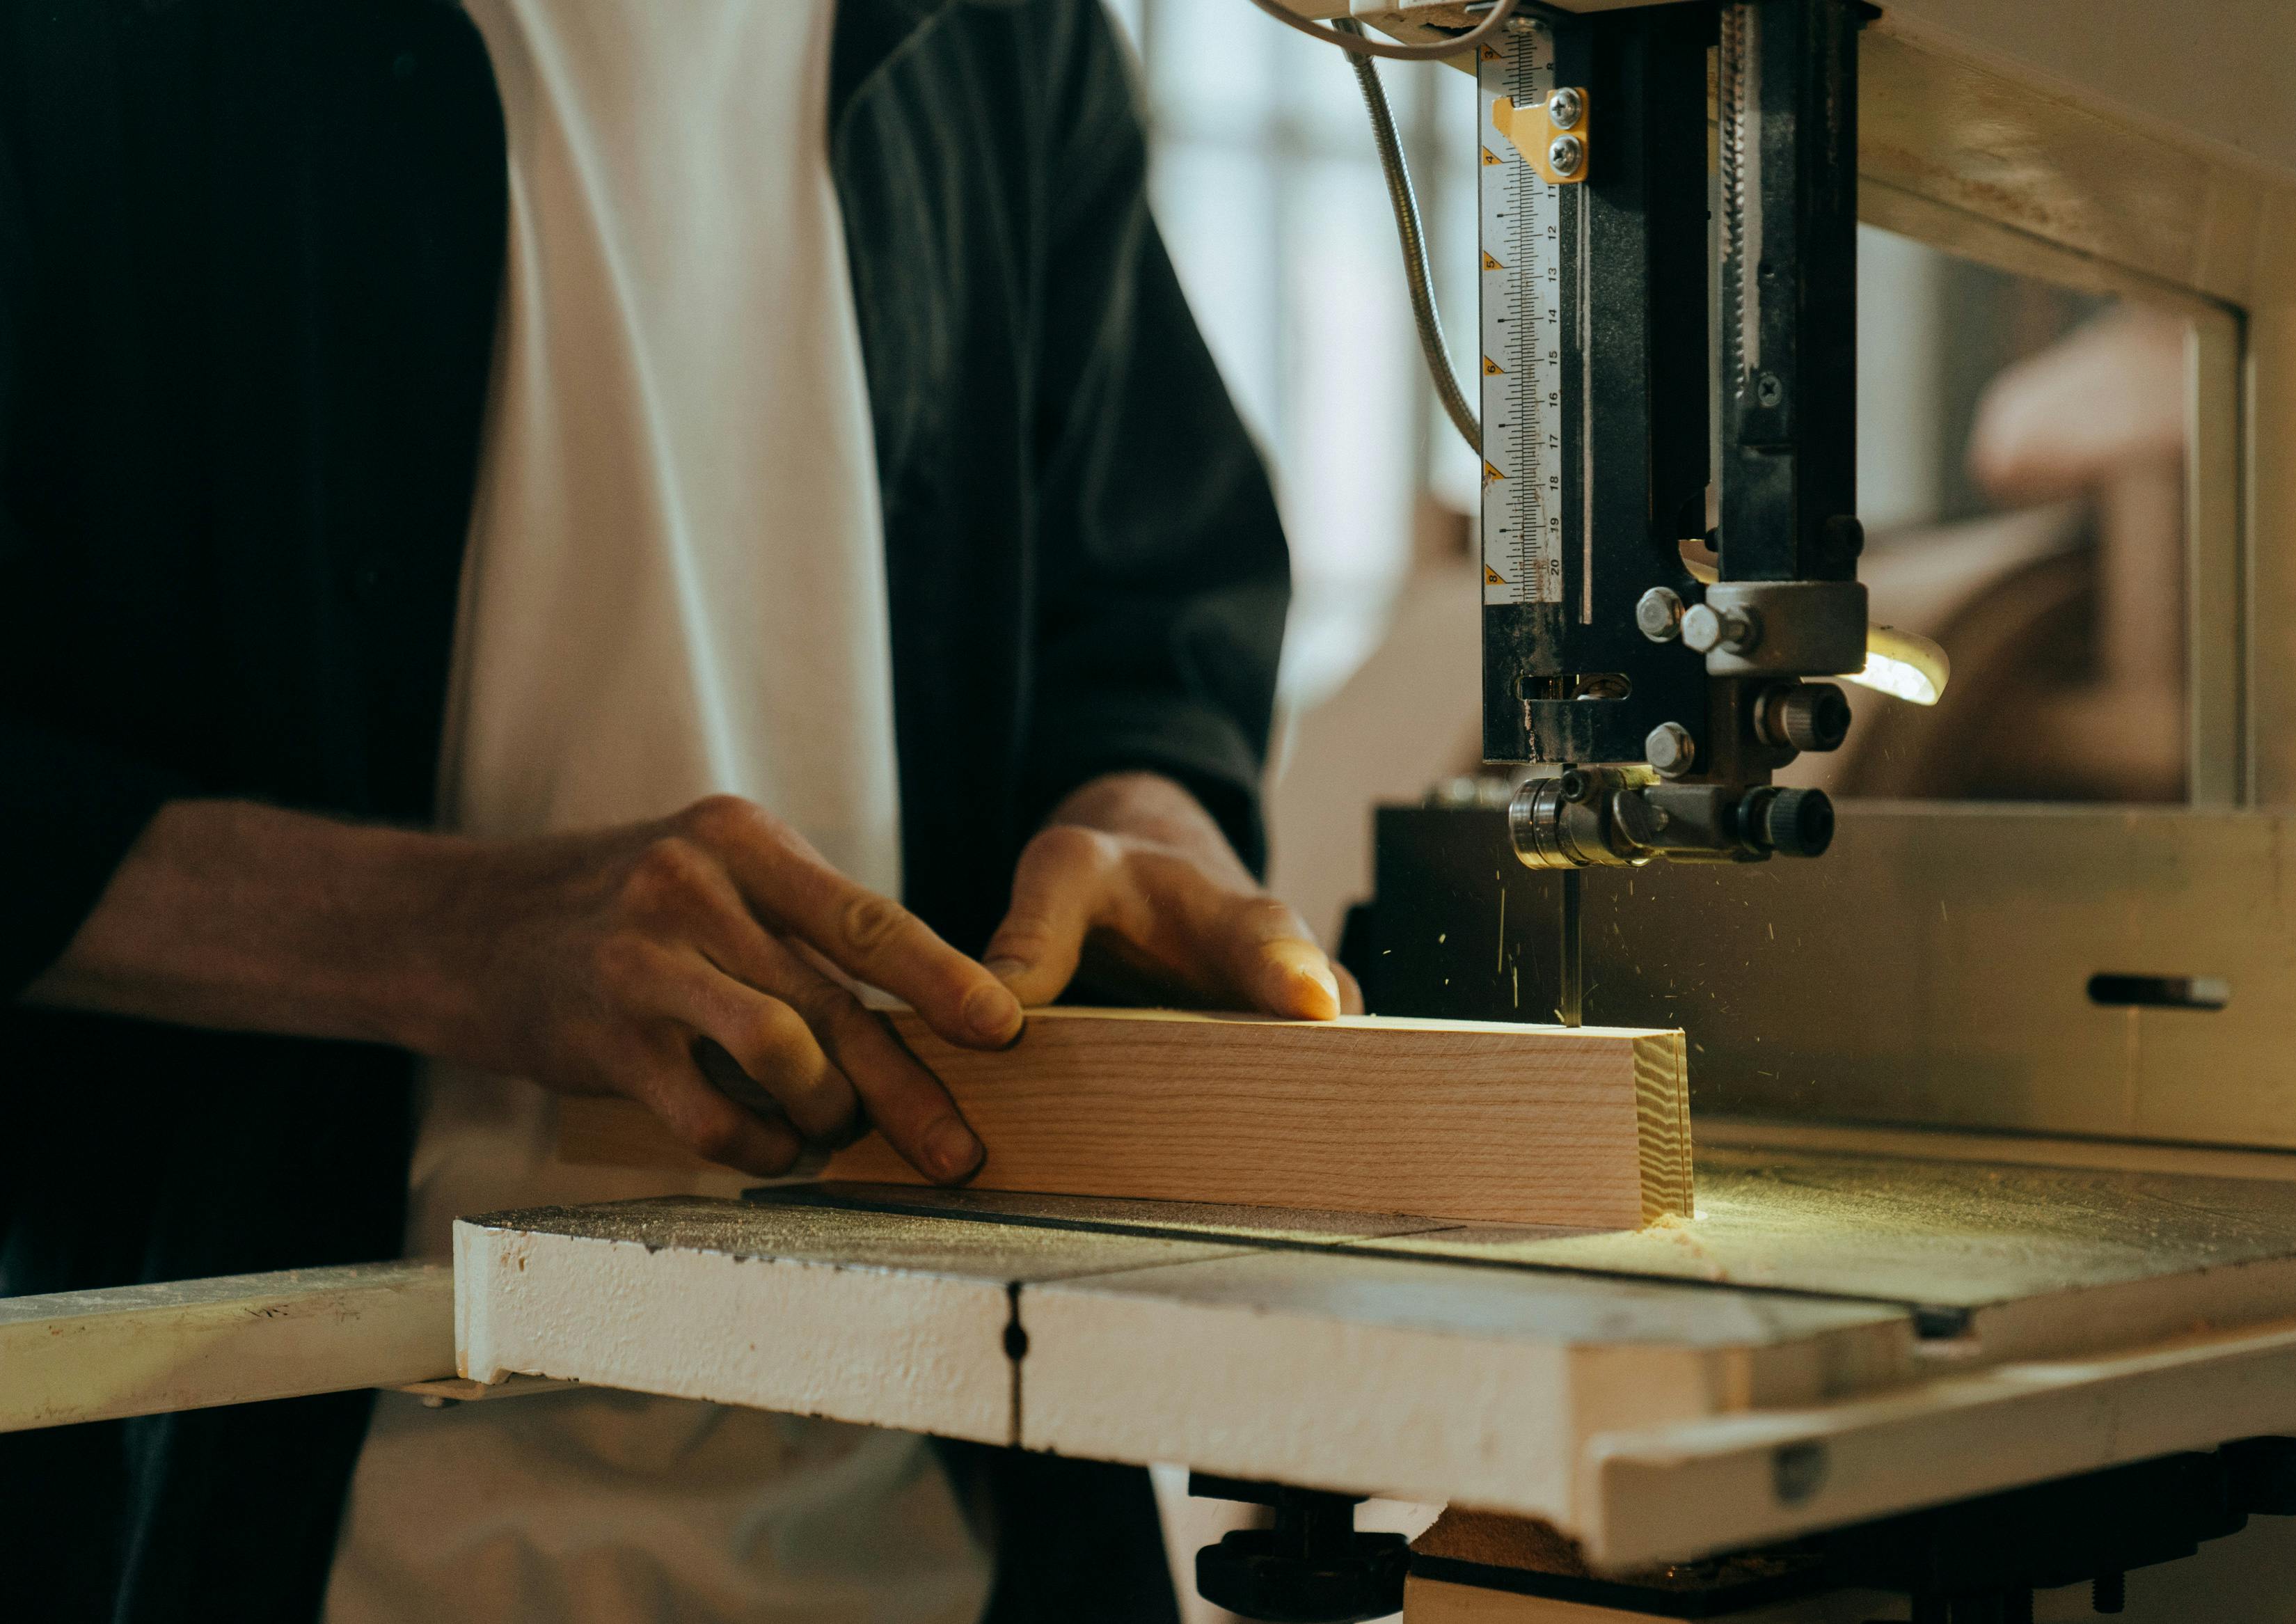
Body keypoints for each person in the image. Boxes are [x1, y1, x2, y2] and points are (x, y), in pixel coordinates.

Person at [0, 0, 1350, 1618]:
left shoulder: (1008, 32)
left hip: (957, 1542)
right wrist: (442, 934)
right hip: (265, 1535)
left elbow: (1143, 605)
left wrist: (1147, 823)